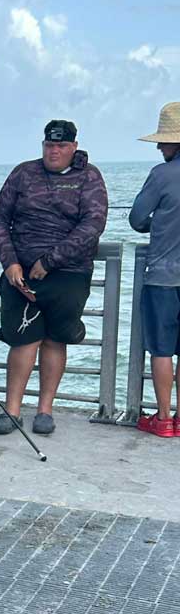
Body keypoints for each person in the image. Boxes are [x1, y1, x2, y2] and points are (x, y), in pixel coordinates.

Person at [0, 119, 108, 436]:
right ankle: (11, 410)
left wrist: (51, 261)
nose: (53, 151)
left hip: (68, 273)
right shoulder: (23, 173)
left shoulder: (89, 177)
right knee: (22, 339)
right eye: (48, 145)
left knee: (56, 339)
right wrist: (10, 262)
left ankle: (45, 409)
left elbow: (93, 224)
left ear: (73, 147)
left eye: (60, 146)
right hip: (21, 273)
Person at [129, 102, 180, 437]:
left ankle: (164, 419)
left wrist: (156, 225)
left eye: (163, 140)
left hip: (164, 275)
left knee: (162, 350)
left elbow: (136, 219)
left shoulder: (161, 175)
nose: (160, 146)